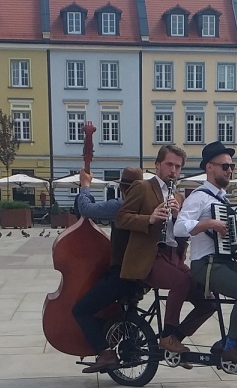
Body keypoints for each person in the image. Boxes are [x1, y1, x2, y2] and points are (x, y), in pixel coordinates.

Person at [175, 141, 237, 363]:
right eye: (224, 166)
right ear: (209, 167)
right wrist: (208, 223)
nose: (229, 171)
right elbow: (180, 227)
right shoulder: (199, 196)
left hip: (225, 262)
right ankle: (230, 347)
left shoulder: (222, 199)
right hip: (206, 264)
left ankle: (225, 342)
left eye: (231, 167)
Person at [117, 145, 215, 354]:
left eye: (178, 167)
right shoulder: (142, 187)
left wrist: (179, 216)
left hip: (173, 256)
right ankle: (167, 335)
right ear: (158, 165)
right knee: (181, 281)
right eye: (169, 164)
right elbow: (122, 218)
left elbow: (182, 232)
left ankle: (176, 339)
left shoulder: (178, 197)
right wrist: (149, 218)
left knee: (208, 299)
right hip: (149, 257)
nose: (173, 170)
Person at [72, 167, 146, 373]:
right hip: (142, 276)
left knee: (81, 310)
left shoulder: (120, 206)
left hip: (121, 274)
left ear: (122, 187)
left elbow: (86, 209)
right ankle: (133, 349)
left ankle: (105, 353)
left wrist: (85, 185)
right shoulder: (148, 205)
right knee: (127, 310)